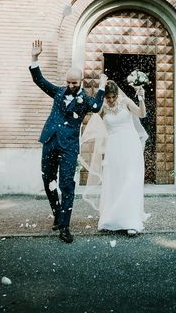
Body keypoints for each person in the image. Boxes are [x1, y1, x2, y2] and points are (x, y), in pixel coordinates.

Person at [29, 40, 107, 243]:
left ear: (81, 81)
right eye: (69, 82)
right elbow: (39, 80)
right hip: (50, 140)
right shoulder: (58, 92)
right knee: (48, 180)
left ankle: (65, 226)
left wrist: (101, 87)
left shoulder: (87, 100)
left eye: (74, 83)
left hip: (69, 147)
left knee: (66, 184)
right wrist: (35, 58)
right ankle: (57, 213)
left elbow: (98, 107)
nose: (71, 86)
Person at [85, 80, 148, 237]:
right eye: (108, 98)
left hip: (130, 145)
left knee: (130, 180)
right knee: (114, 181)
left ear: (117, 94)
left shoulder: (125, 102)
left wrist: (141, 99)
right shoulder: (103, 108)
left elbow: (142, 114)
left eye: (113, 97)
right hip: (113, 147)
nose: (111, 100)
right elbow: (93, 117)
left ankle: (131, 221)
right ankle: (111, 218)